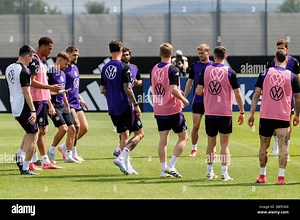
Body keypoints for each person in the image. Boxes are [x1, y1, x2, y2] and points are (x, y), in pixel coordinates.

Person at [248, 51, 300, 185]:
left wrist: (252, 113)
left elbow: (256, 94)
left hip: (266, 115)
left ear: (274, 59)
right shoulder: (292, 76)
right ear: (287, 61)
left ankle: (262, 176)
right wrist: (297, 115)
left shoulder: (264, 73)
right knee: (283, 146)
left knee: (263, 146)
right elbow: (297, 98)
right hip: (283, 116)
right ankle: (281, 178)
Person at [196, 46, 244, 181]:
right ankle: (224, 173)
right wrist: (242, 111)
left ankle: (209, 172)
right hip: (225, 113)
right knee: (224, 145)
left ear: (214, 56)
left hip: (210, 113)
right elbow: (238, 93)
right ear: (225, 57)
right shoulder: (230, 72)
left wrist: (209, 94)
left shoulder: (205, 70)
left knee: (211, 143)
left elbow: (199, 91)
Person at [100, 40, 144, 175]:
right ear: (120, 49)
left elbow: (102, 90)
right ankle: (121, 158)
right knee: (140, 134)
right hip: (125, 106)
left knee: (124, 135)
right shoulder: (124, 67)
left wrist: (113, 96)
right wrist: (136, 105)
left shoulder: (105, 67)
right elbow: (128, 88)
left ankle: (126, 165)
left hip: (112, 108)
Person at [151, 43, 189, 178]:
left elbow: (157, 87)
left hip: (159, 109)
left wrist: (178, 91)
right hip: (173, 109)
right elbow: (173, 90)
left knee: (163, 140)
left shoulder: (154, 68)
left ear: (160, 54)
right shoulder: (173, 69)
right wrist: (183, 99)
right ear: (171, 54)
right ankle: (171, 166)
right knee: (183, 137)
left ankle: (163, 170)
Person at [28, 36, 62, 169]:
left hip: (41, 100)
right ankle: (33, 160)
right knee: (35, 131)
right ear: (42, 46)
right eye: (49, 49)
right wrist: (50, 88)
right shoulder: (35, 60)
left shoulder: (40, 61)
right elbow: (31, 82)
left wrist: (49, 102)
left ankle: (38, 160)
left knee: (40, 131)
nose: (50, 52)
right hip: (36, 101)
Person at [5, 45, 39, 175]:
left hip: (15, 107)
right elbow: (26, 91)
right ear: (27, 56)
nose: (32, 61)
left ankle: (20, 157)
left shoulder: (9, 68)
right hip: (24, 107)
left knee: (29, 132)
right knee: (33, 134)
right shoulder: (24, 70)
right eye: (31, 57)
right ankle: (25, 168)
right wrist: (33, 110)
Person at [266, 39, 300, 156]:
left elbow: (298, 78)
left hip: (288, 96)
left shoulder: (294, 62)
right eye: (278, 48)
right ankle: (276, 143)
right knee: (275, 121)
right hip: (275, 96)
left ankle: (286, 147)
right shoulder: (271, 61)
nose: (280, 50)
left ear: (287, 49)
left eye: (282, 48)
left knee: (288, 122)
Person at [57, 45, 88, 162]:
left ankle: (64, 147)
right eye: (74, 55)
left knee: (84, 128)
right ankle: (73, 153)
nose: (76, 57)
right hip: (68, 102)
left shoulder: (75, 68)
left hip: (76, 102)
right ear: (68, 54)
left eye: (77, 55)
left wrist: (81, 98)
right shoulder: (63, 68)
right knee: (76, 126)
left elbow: (75, 86)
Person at [184, 43, 214, 157]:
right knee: (196, 125)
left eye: (202, 53)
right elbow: (189, 82)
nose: (200, 55)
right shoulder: (194, 66)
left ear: (208, 52)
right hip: (197, 100)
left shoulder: (213, 66)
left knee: (211, 127)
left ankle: (213, 149)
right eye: (199, 53)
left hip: (211, 101)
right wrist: (184, 97)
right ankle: (194, 148)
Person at [47, 51, 77, 164]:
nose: (67, 65)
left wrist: (67, 105)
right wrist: (50, 105)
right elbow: (45, 90)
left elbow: (63, 91)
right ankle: (51, 151)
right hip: (53, 105)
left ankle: (68, 155)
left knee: (72, 129)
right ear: (59, 60)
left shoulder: (63, 73)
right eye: (66, 63)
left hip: (62, 105)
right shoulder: (50, 72)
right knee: (63, 128)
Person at [113, 47, 142, 157]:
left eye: (127, 55)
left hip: (130, 100)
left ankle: (119, 149)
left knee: (127, 129)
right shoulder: (119, 68)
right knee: (128, 130)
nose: (126, 57)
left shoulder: (134, 67)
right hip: (123, 101)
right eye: (124, 55)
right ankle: (122, 154)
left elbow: (139, 81)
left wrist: (137, 82)